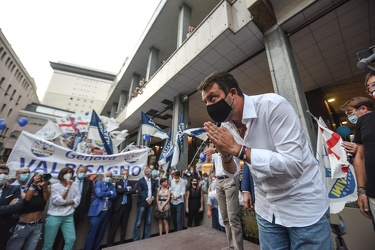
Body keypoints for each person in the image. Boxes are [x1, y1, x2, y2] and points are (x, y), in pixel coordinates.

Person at [199, 71, 331, 249]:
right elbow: (233, 171)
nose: (209, 105)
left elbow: (294, 164)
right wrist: (225, 154)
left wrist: (238, 150)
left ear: (232, 93)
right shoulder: (227, 126)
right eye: (205, 101)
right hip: (267, 210)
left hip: (303, 208)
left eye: (213, 98)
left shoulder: (273, 106)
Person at [204, 144, 243, 250]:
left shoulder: (231, 138)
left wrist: (215, 149)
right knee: (225, 217)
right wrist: (209, 151)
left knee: (233, 217)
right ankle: (231, 246)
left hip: (231, 178)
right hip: (218, 180)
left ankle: (238, 248)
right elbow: (209, 161)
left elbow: (233, 149)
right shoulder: (215, 147)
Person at [352, 73, 375, 223]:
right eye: (373, 85)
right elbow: (360, 157)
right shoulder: (365, 121)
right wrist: (361, 191)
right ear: (369, 92)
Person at [7, 172, 50, 250]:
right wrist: (34, 184)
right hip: (22, 226)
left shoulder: (44, 191)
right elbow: (27, 198)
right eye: (38, 179)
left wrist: (44, 186)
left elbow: (46, 198)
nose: (40, 181)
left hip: (37, 226)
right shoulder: (24, 189)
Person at [42, 167, 81, 250]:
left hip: (68, 215)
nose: (68, 174)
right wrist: (67, 187)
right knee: (49, 242)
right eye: (66, 172)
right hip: (54, 216)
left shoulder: (75, 185)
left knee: (71, 239)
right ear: (62, 174)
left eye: (70, 172)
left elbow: (77, 199)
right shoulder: (54, 186)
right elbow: (57, 202)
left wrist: (65, 203)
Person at [84, 171, 117, 250]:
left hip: (106, 212)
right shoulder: (98, 184)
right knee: (92, 233)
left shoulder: (111, 185)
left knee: (101, 233)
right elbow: (99, 194)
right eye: (107, 176)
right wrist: (110, 192)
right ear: (103, 177)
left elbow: (115, 195)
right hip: (97, 212)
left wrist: (107, 194)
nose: (108, 178)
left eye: (110, 176)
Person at [107, 169, 136, 246]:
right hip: (118, 208)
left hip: (126, 207)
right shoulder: (118, 182)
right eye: (123, 174)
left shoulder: (131, 182)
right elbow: (118, 190)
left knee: (124, 226)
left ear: (128, 175)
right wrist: (127, 189)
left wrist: (125, 190)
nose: (124, 175)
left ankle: (122, 243)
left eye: (126, 174)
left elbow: (134, 190)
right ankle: (110, 244)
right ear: (121, 175)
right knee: (114, 227)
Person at [0, 164, 23, 249]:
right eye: (0, 173)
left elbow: (18, 206)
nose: (2, 176)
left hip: (4, 229)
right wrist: (8, 206)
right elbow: (11, 208)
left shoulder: (14, 189)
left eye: (5, 174)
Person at [133, 167, 156, 241]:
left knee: (148, 221)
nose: (151, 173)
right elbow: (140, 191)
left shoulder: (153, 180)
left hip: (150, 204)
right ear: (145, 173)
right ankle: (136, 239)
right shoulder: (140, 181)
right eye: (149, 171)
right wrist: (147, 199)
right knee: (138, 222)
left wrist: (152, 198)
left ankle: (147, 237)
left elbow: (154, 190)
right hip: (142, 203)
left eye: (151, 171)